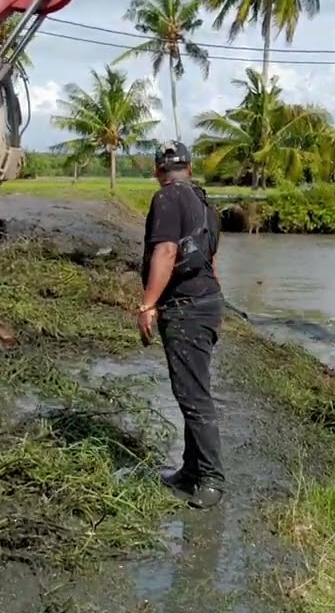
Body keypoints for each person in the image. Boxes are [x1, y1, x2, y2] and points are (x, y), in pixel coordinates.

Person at [136, 140, 226, 510]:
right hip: (208, 302)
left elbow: (167, 251)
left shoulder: (167, 199)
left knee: (193, 396)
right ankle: (191, 470)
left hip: (186, 307)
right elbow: (211, 260)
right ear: (189, 168)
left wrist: (148, 303)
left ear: (158, 170)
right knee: (192, 390)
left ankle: (211, 479)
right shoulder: (207, 205)